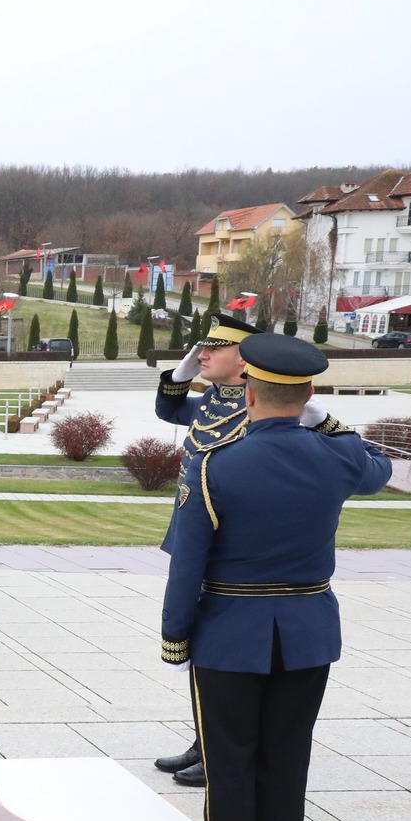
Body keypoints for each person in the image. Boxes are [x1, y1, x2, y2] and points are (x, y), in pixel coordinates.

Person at [161, 333, 390, 821]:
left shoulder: (214, 465)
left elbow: (188, 561)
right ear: (309, 391)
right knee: (287, 760)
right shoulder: (338, 456)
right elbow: (379, 469)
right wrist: (325, 420)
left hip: (228, 633)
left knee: (230, 762)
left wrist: (175, 635)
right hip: (309, 631)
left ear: (248, 395)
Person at [152, 313, 256, 785]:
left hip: (225, 551)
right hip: (193, 539)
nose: (204, 353)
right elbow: (170, 411)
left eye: (215, 348)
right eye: (202, 347)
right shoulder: (213, 402)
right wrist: (181, 374)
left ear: (245, 362)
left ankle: (219, 752)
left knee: (219, 654)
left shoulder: (254, 413)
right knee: (202, 652)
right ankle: (203, 741)